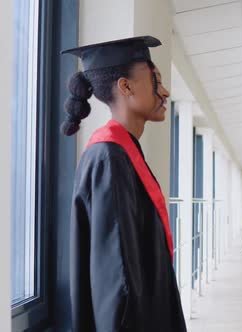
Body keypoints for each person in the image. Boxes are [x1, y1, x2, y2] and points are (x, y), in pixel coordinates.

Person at [62, 36, 186, 332]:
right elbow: (118, 282)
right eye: (155, 80)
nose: (165, 92)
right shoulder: (109, 158)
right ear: (125, 87)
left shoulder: (120, 152)